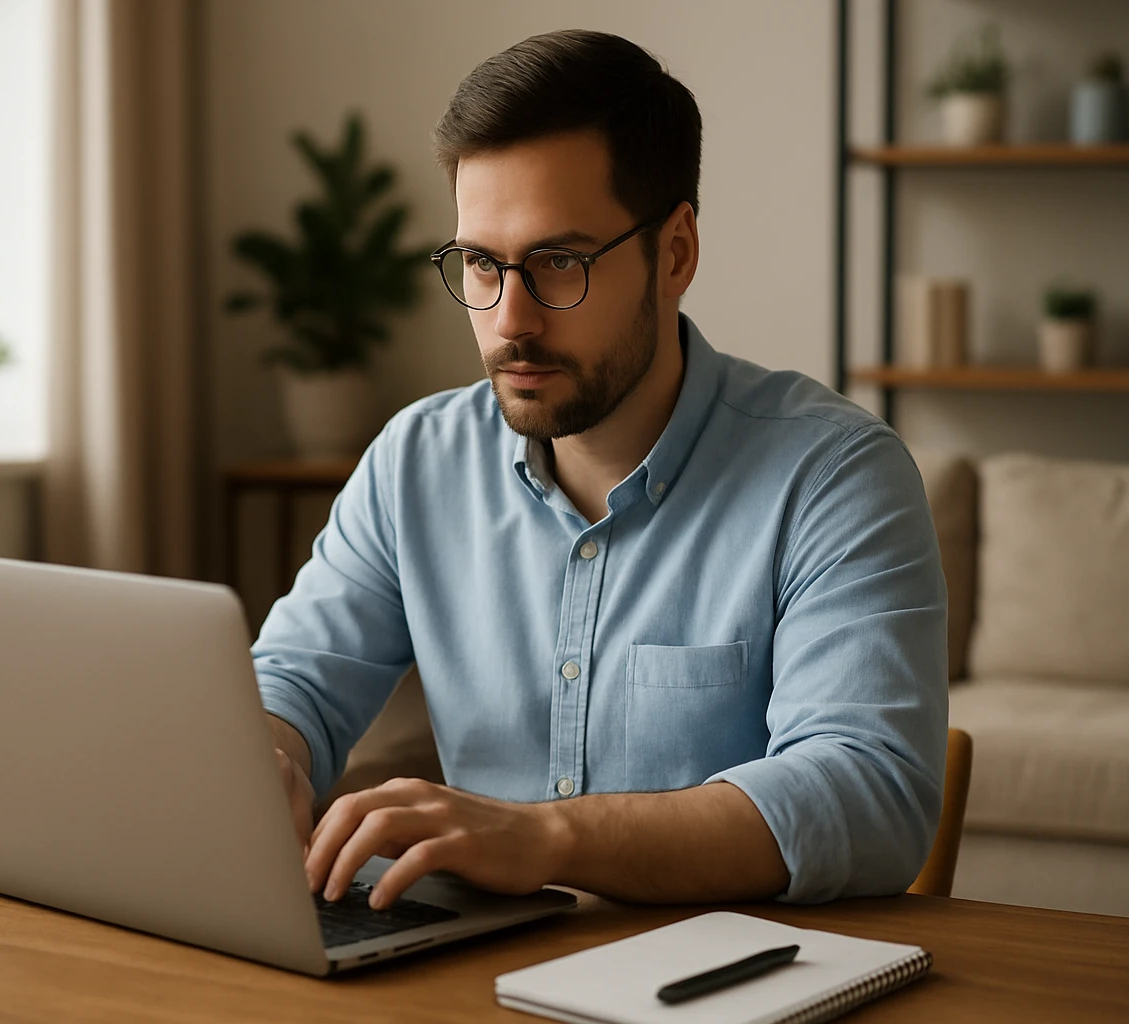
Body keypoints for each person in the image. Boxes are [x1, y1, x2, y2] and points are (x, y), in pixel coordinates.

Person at [255, 29, 948, 913]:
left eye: (559, 262)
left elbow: (869, 797)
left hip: (724, 987)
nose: (510, 320)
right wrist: (264, 754)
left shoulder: (835, 475)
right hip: (468, 979)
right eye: (479, 263)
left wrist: (544, 837)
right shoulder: (414, 462)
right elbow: (294, 683)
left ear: (676, 254)